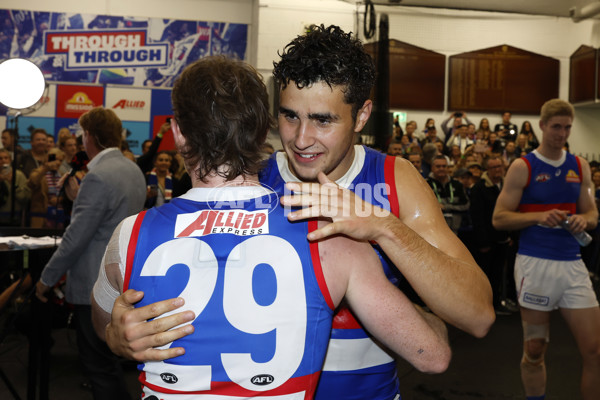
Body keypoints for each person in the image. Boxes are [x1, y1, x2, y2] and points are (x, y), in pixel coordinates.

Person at [103, 25, 494, 400]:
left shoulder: (392, 179)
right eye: (290, 116)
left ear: (361, 115)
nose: (302, 139)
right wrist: (118, 334)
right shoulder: (249, 179)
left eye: (323, 120)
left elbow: (478, 316)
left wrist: (384, 227)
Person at [34, 107, 146, 400]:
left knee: (98, 367)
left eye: (82, 134)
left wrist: (47, 279)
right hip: (124, 277)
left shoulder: (97, 176)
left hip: (94, 286)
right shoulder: (131, 169)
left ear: (90, 136)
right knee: (108, 364)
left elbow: (76, 238)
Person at [492, 99, 600, 400]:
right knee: (535, 349)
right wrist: (538, 216)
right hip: (535, 265)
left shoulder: (579, 166)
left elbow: (593, 214)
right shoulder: (522, 166)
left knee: (595, 351)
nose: (561, 133)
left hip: (573, 266)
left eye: (567, 127)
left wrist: (584, 219)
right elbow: (499, 218)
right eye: (556, 127)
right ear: (542, 126)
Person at [470, 156, 517, 315]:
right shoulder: (479, 188)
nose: (498, 170)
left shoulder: (507, 185)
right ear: (487, 170)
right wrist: (483, 242)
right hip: (487, 240)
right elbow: (477, 217)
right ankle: (482, 306)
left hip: (504, 238)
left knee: (498, 274)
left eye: (500, 166)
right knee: (485, 275)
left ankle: (496, 303)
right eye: (494, 167)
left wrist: (510, 235)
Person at [426, 155, 470, 234]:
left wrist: (445, 207)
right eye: (438, 166)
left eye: (444, 166)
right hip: (434, 229)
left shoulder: (457, 184)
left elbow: (466, 205)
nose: (441, 169)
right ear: (432, 168)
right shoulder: (425, 184)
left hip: (455, 229)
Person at [0, 148, 30, 225]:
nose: (3, 160)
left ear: (10, 160)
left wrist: (13, 184)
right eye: (0, 158)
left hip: (15, 217)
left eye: (6, 158)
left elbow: (25, 197)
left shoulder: (18, 175)